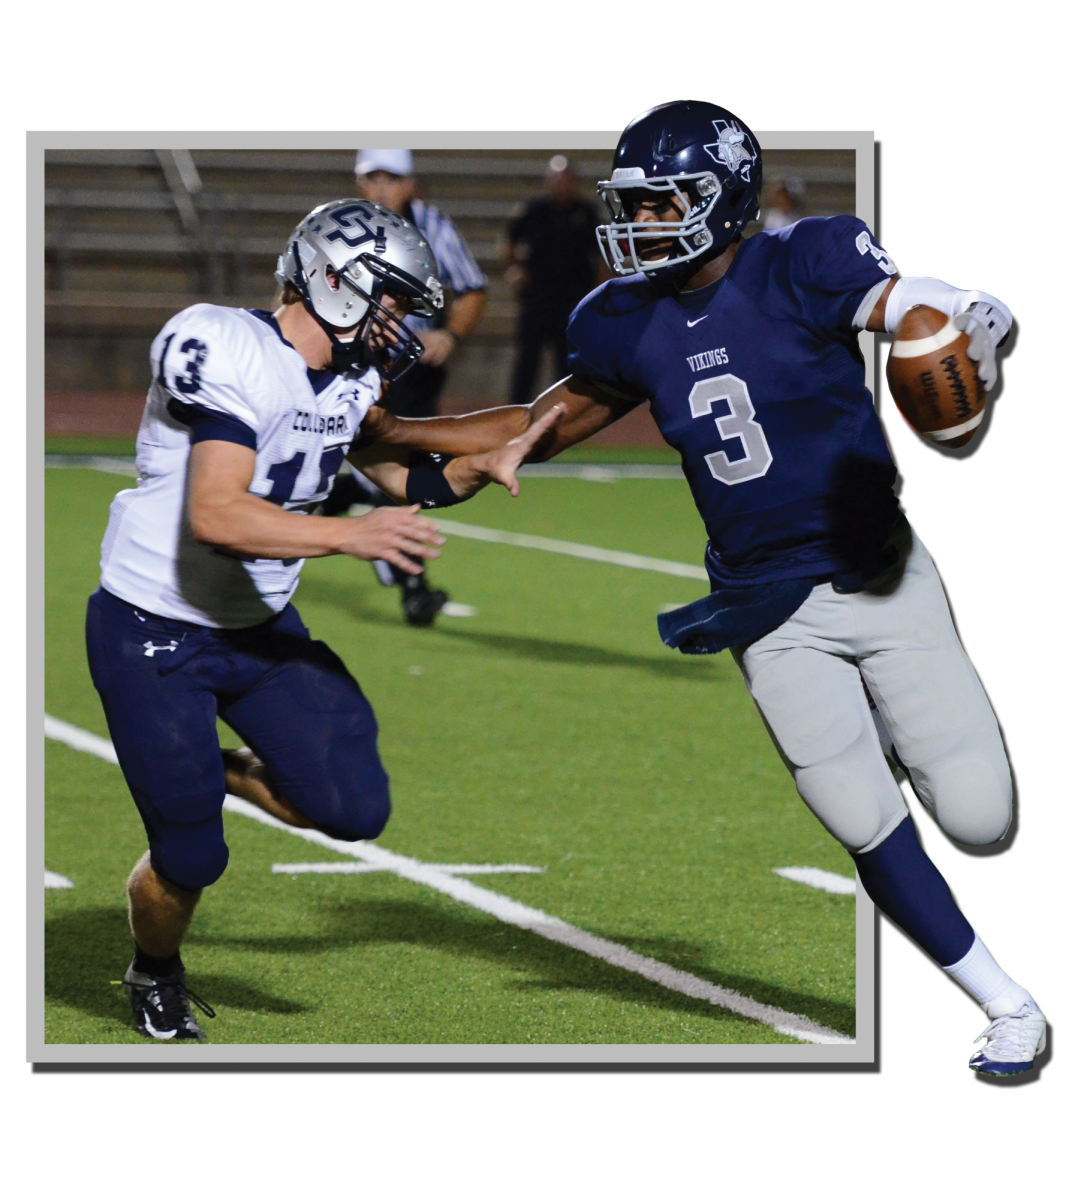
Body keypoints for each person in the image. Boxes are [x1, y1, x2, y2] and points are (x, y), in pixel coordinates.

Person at [369, 102, 1044, 1075]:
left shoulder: (801, 258)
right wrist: (396, 439)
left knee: (980, 816)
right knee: (856, 815)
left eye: (663, 202)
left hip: (878, 573)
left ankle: (904, 735)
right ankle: (1007, 1003)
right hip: (765, 606)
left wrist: (955, 318)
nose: (642, 222)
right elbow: (528, 422)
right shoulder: (621, 319)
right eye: (633, 204)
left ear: (723, 194)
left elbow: (899, 305)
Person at [86, 197, 561, 1040]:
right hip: (154, 626)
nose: (399, 321)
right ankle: (154, 970)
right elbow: (217, 515)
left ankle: (217, 770)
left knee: (351, 806)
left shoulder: (352, 378)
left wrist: (483, 463)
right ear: (334, 281)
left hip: (257, 629)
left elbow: (402, 476)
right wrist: (349, 537)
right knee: (193, 859)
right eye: (390, 299)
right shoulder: (222, 343)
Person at [320, 148, 489, 625]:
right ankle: (412, 585)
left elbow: (472, 287)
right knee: (386, 468)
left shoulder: (431, 226)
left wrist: (449, 335)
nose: (380, 187)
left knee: (399, 466)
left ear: (410, 183)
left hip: (409, 366)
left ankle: (344, 506)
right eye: (371, 177)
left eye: (390, 178)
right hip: (352, 359)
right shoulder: (340, 226)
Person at [505, 155, 605, 405]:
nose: (561, 184)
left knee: (567, 362)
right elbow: (508, 242)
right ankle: (517, 412)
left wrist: (597, 292)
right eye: (556, 179)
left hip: (572, 300)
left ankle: (567, 410)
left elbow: (602, 256)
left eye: (566, 179)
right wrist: (513, 271)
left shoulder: (586, 213)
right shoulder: (533, 210)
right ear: (548, 181)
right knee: (527, 361)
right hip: (537, 298)